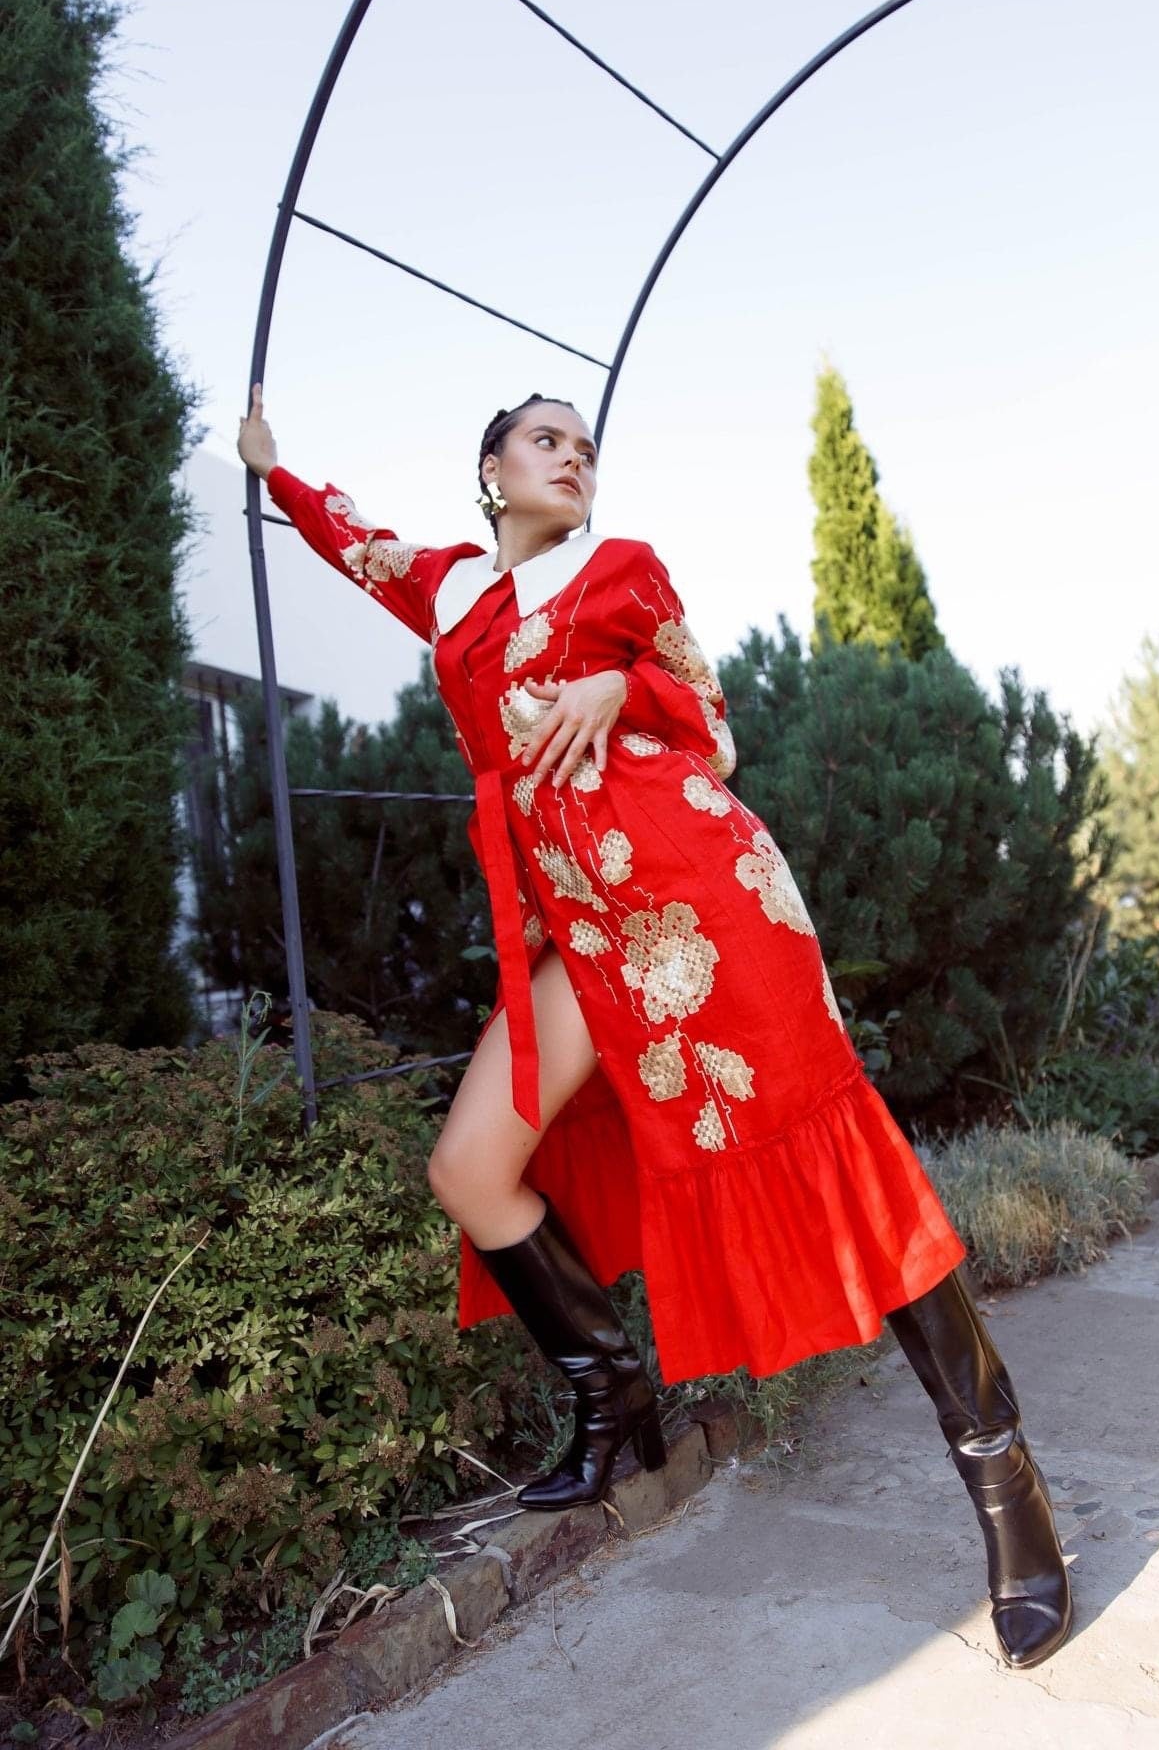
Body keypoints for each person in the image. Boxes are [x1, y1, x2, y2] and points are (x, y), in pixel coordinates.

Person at [237, 386, 1072, 1669]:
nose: (571, 457)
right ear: (490, 472)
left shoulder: (619, 572)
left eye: (584, 446)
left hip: (702, 900)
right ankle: (612, 1394)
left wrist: (619, 689)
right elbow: (358, 540)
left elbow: (715, 724)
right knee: (467, 1165)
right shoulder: (454, 596)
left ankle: (1003, 1482)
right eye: (543, 440)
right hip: (579, 938)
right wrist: (273, 472)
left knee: (840, 1174)